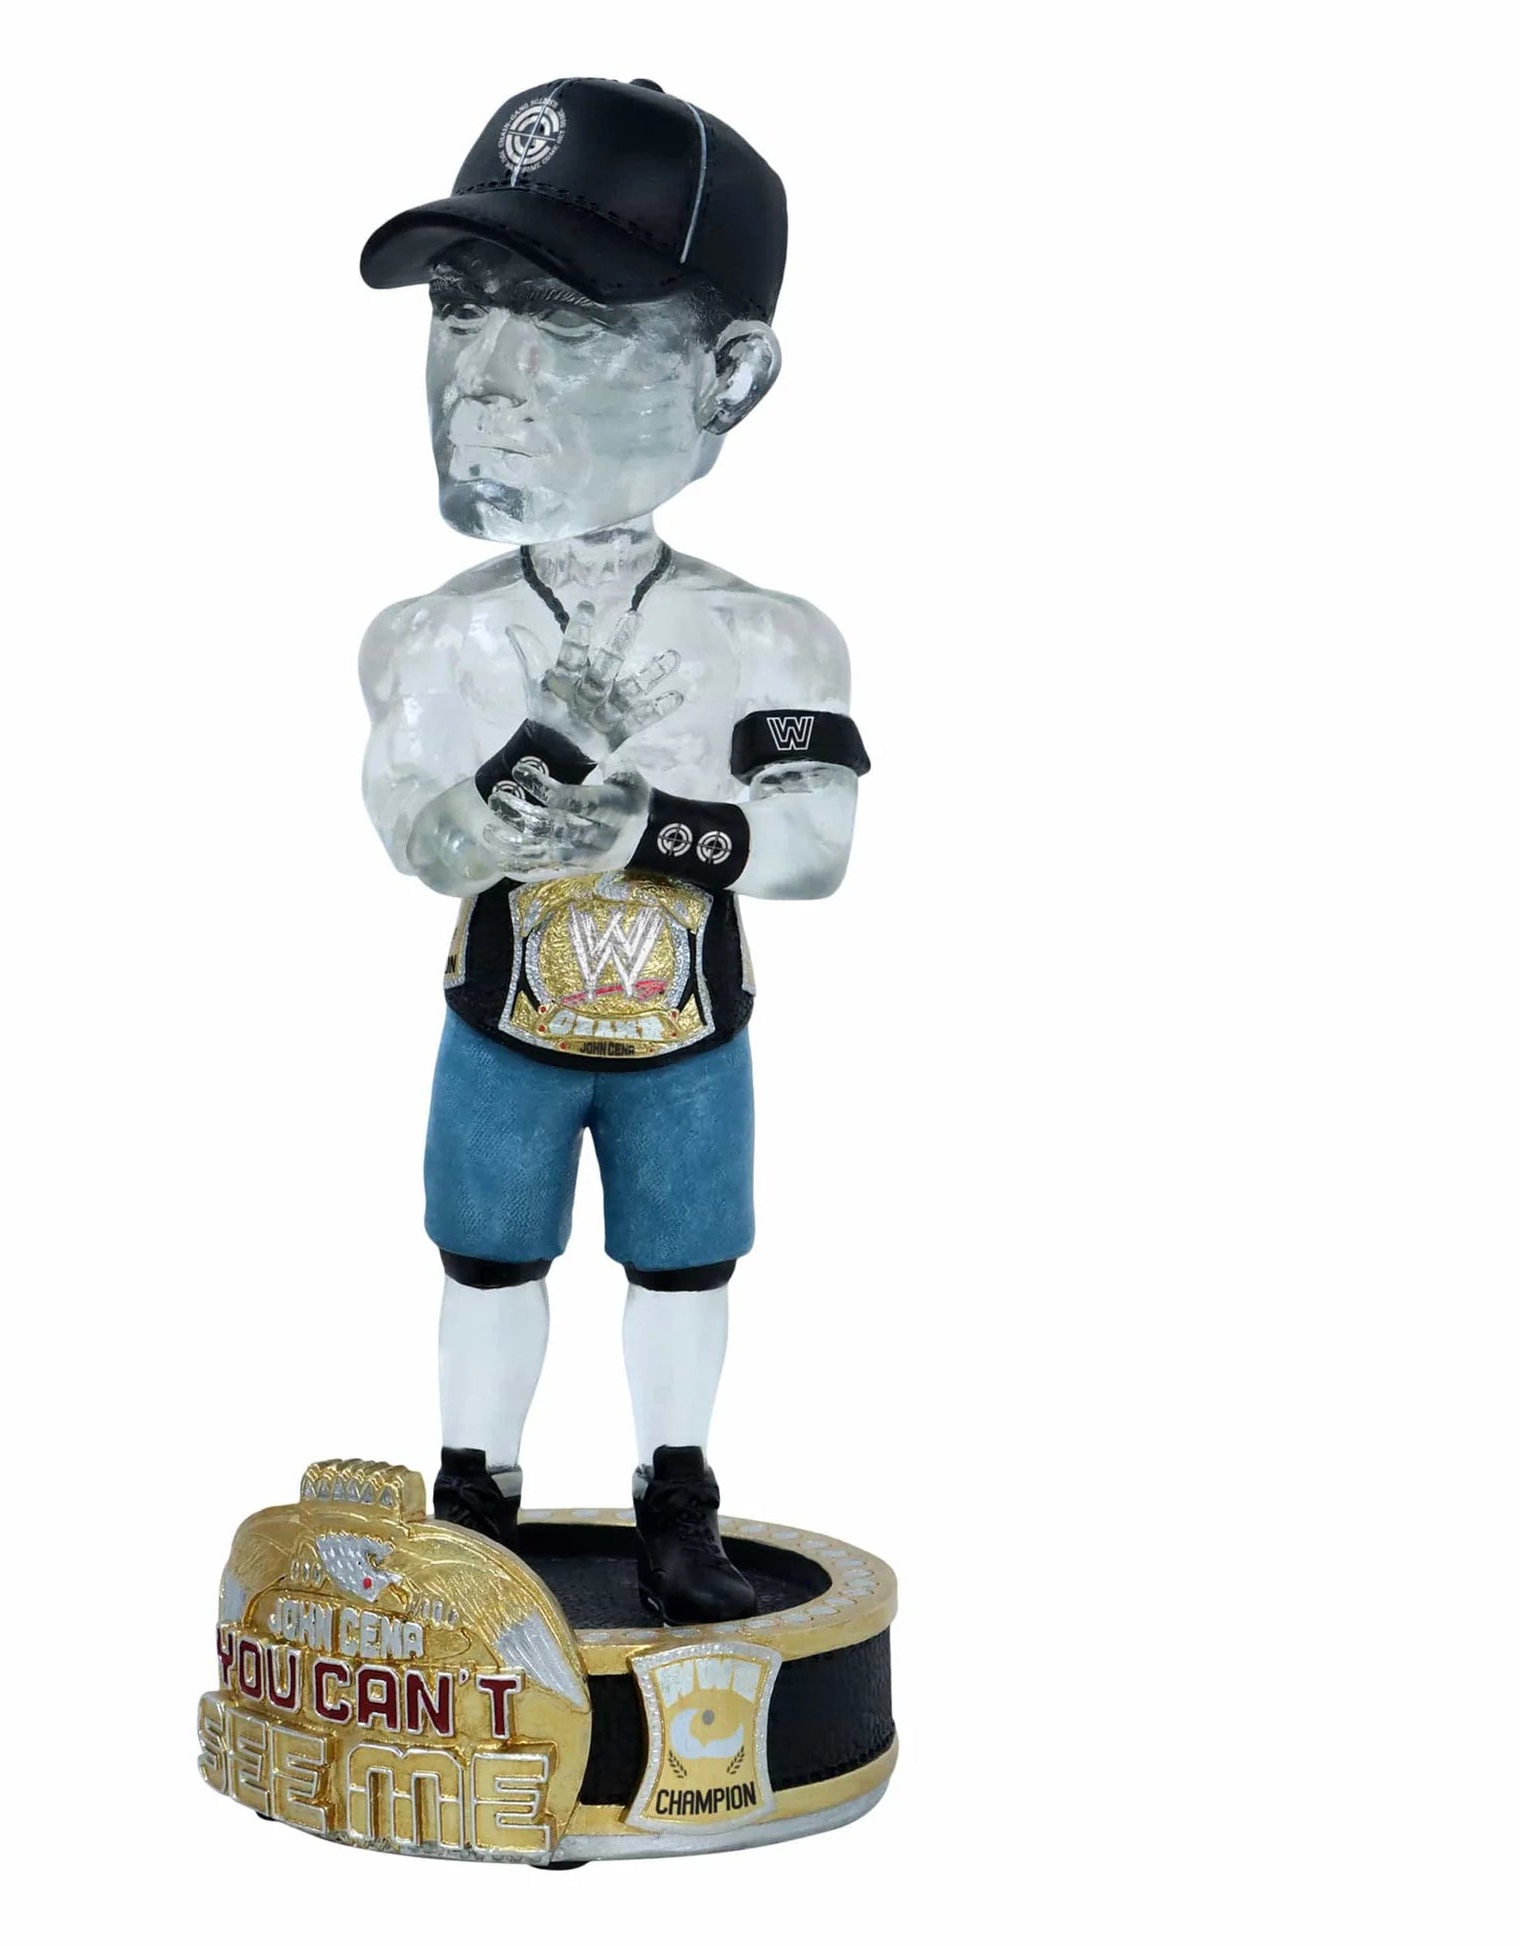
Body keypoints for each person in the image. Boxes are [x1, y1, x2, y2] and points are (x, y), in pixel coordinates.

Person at [357, 78, 868, 1623]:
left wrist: (639, 825)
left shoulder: (767, 640)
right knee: (483, 1263)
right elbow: (422, 838)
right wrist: (551, 752)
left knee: (684, 1270)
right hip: (503, 1022)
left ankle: (676, 1498)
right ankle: (472, 1498)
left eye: (567, 325)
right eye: (461, 309)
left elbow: (814, 845)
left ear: (727, 375)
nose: (483, 377)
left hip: (684, 1030)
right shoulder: (436, 636)